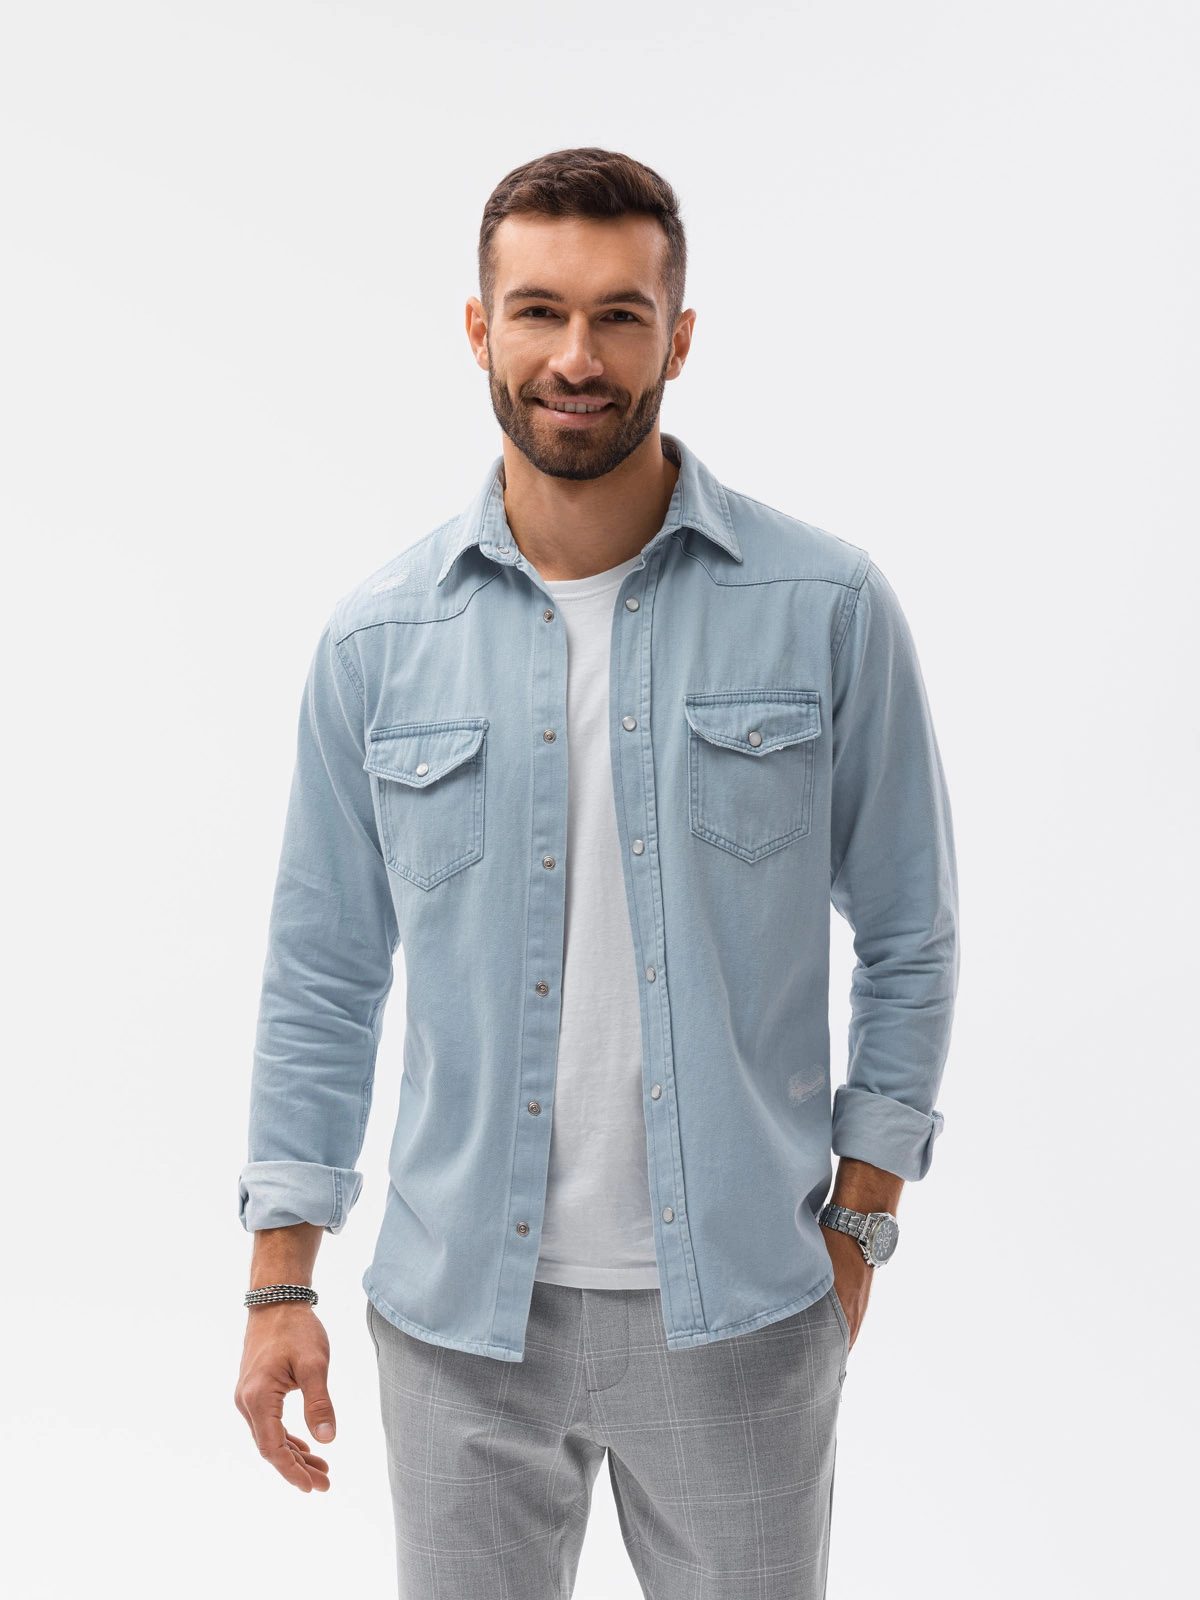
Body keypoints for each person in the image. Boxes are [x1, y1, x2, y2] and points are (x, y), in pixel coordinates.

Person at [234, 145, 959, 1600]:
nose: (578, 356)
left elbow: (910, 932)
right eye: (539, 311)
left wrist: (859, 1224)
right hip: (458, 1328)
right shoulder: (379, 643)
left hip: (745, 1315)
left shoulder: (824, 607)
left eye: (621, 315)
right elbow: (323, 974)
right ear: (478, 328)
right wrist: (279, 1278)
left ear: (678, 339)